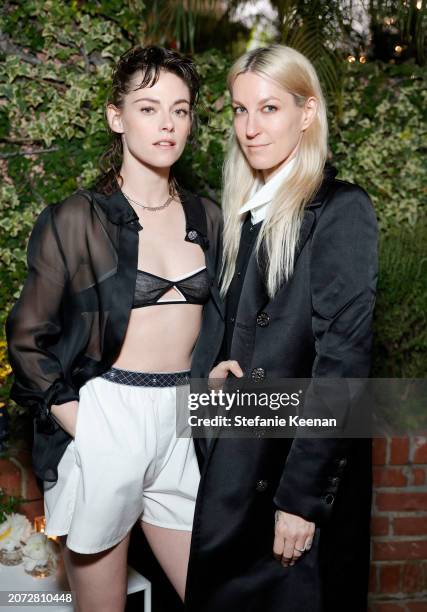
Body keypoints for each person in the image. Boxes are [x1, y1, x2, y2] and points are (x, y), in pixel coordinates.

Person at [6, 45, 222, 612]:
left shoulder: (209, 216)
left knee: (214, 594)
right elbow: (29, 339)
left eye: (180, 109)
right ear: (116, 116)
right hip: (109, 411)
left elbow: (228, 326)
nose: (167, 124)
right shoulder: (78, 219)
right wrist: (89, 429)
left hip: (183, 420)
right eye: (149, 108)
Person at [186, 44, 378, 612]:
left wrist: (300, 501)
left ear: (307, 112)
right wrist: (211, 382)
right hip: (239, 463)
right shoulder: (246, 212)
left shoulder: (341, 210)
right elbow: (228, 332)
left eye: (269, 109)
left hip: (288, 482)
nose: (250, 127)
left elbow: (343, 364)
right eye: (240, 111)